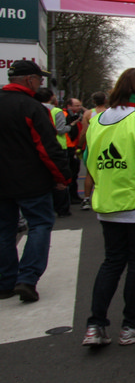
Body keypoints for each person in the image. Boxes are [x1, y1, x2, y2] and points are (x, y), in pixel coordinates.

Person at [80, 68, 135, 346]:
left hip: (107, 203)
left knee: (112, 262)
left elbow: (89, 159)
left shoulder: (97, 120)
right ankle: (132, 325)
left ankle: (95, 325)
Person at [0, 60, 72, 303]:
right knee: (40, 225)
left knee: (4, 230)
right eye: (39, 79)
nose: (40, 83)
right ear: (29, 80)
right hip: (30, 180)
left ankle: (5, 282)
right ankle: (27, 278)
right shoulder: (32, 107)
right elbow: (47, 147)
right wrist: (62, 177)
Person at [35, 87, 73, 217]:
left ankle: (45, 207)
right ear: (51, 98)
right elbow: (60, 129)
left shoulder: (33, 108)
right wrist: (71, 127)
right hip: (58, 145)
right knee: (61, 179)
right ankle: (62, 209)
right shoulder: (56, 111)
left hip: (39, 146)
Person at [79, 91, 109, 211]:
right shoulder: (109, 112)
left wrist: (79, 146)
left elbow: (83, 132)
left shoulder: (88, 113)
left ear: (93, 101)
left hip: (91, 145)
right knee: (106, 171)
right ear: (105, 100)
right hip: (106, 145)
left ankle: (86, 199)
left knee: (90, 173)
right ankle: (104, 197)